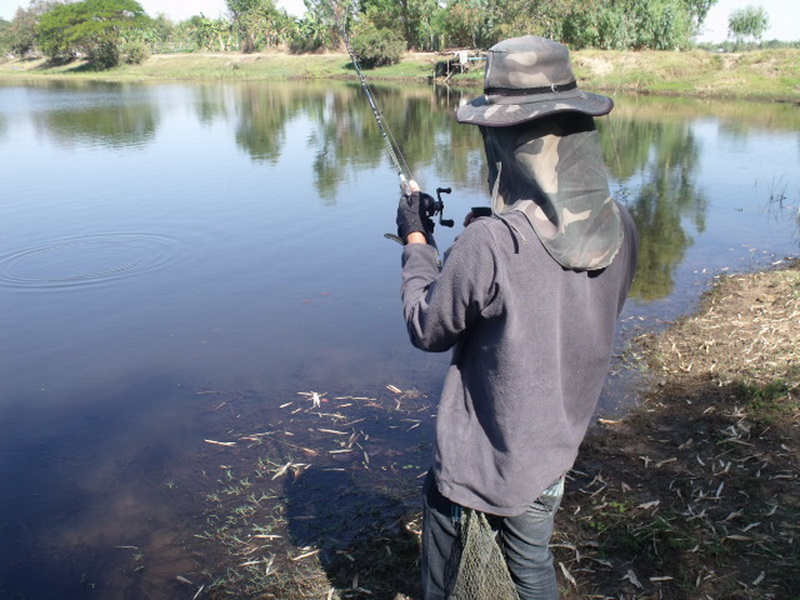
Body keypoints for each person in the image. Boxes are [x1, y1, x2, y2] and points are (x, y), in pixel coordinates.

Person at [395, 36, 639, 600]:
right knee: (531, 567)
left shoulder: (491, 243)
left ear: (505, 138)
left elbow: (425, 326)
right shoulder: (622, 223)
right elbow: (573, 301)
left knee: (445, 584)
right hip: (554, 451)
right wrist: (498, 230)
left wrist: (416, 239)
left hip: (480, 472)